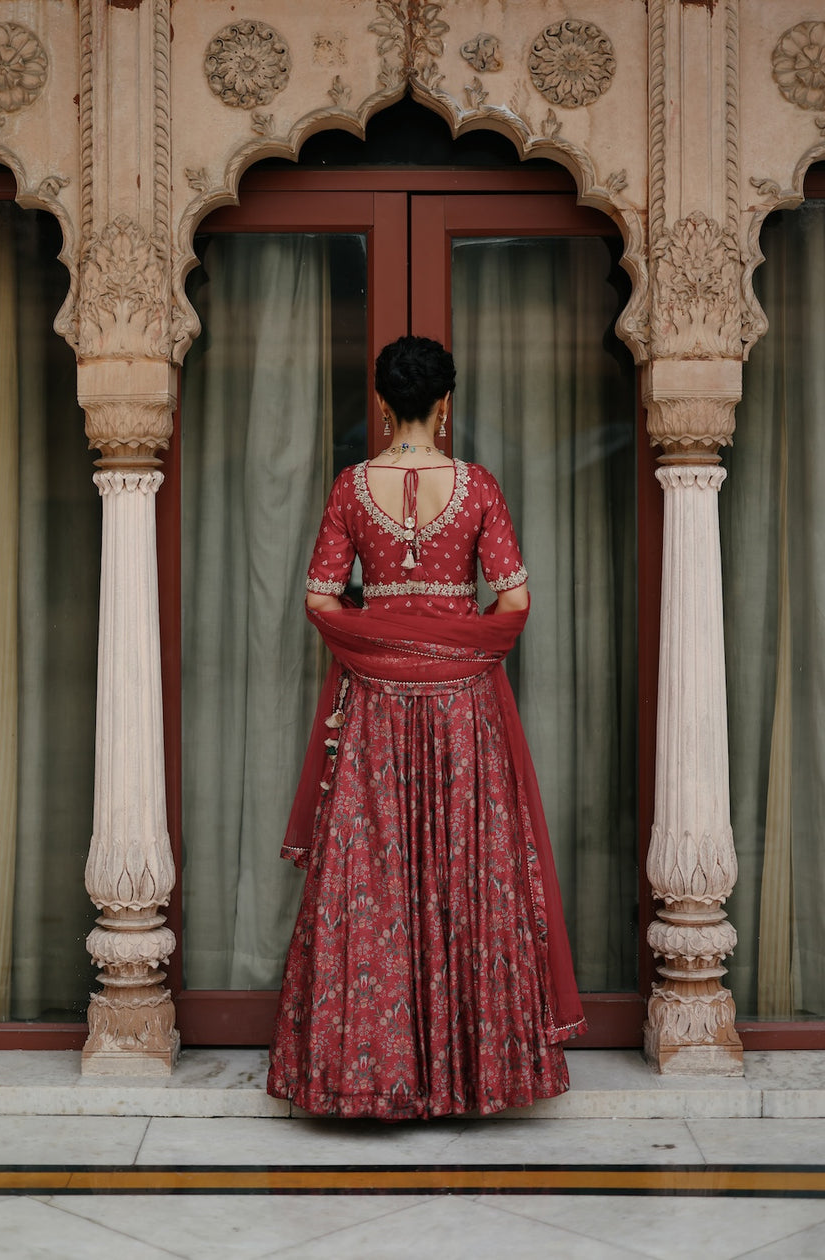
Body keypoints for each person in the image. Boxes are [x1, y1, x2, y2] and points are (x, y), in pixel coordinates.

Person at [266, 335, 586, 1119]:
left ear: (383, 403)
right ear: (446, 402)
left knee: (371, 877)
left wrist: (384, 639)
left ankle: (365, 1078)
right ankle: (474, 1076)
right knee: (466, 870)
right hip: (461, 709)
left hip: (374, 706)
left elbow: (320, 599)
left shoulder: (351, 488)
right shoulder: (478, 490)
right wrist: (451, 647)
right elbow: (513, 603)